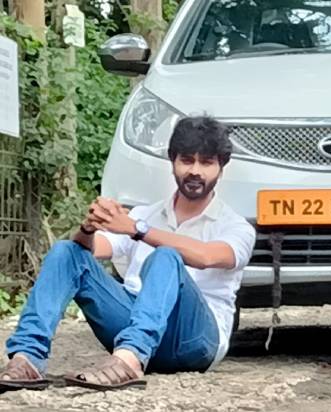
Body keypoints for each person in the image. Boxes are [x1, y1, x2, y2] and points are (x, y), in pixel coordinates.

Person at [0, 116, 255, 391]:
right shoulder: (145, 214)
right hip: (131, 324)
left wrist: (137, 230)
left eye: (206, 162)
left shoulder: (236, 226)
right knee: (66, 250)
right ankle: (27, 358)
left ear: (220, 167)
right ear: (172, 162)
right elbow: (91, 250)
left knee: (166, 256)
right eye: (186, 160)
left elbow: (206, 256)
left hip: (193, 340)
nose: (195, 171)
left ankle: (130, 360)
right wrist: (88, 227)